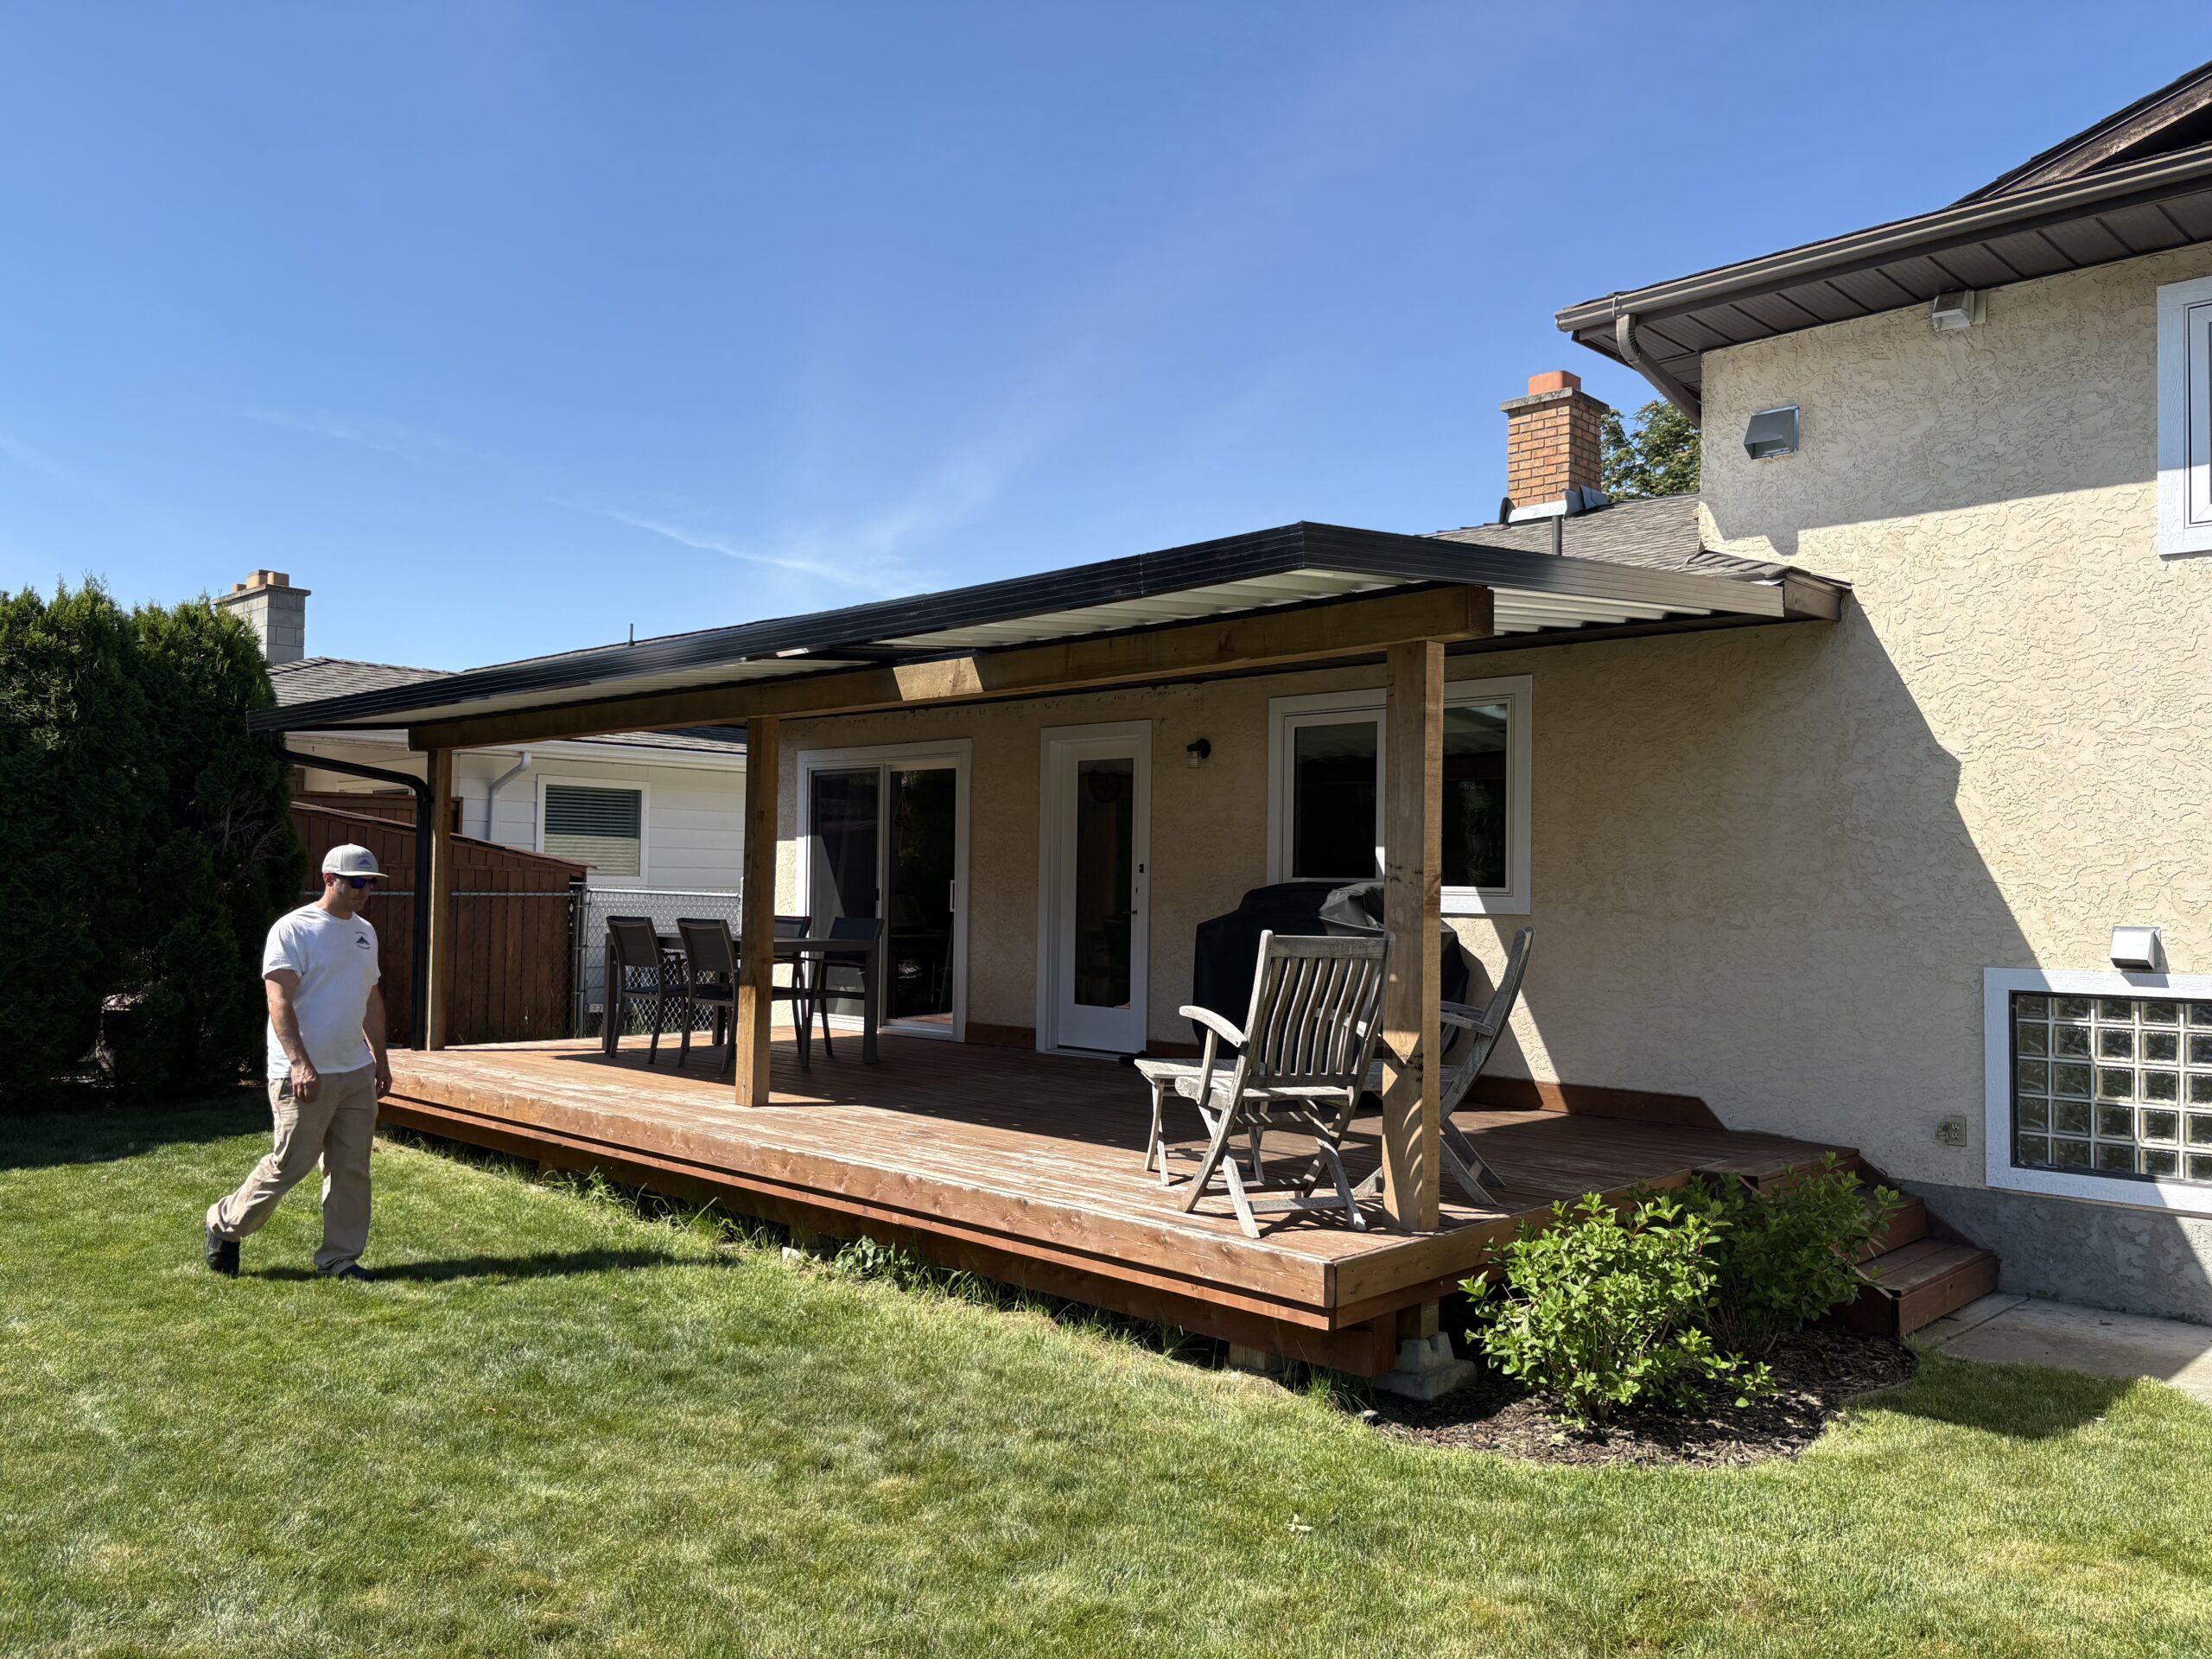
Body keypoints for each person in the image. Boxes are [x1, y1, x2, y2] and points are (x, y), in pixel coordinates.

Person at [205, 842, 393, 1281]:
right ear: (330, 880)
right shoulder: (293, 930)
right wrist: (300, 1064)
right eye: (357, 882)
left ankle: (340, 1259)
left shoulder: (365, 932)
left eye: (371, 884)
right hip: (304, 1072)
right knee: (291, 1163)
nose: (365, 891)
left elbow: (371, 998)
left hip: (355, 1070)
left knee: (351, 1167)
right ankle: (224, 1224)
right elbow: (279, 1000)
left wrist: (380, 1060)